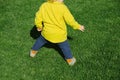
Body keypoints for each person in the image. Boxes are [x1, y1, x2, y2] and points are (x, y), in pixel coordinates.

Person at [30, 0, 85, 66]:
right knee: (65, 47)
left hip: (47, 33)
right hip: (59, 35)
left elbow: (38, 17)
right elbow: (70, 20)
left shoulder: (44, 5)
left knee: (40, 40)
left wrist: (39, 26)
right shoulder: (63, 8)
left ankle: (33, 51)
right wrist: (78, 26)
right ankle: (70, 59)